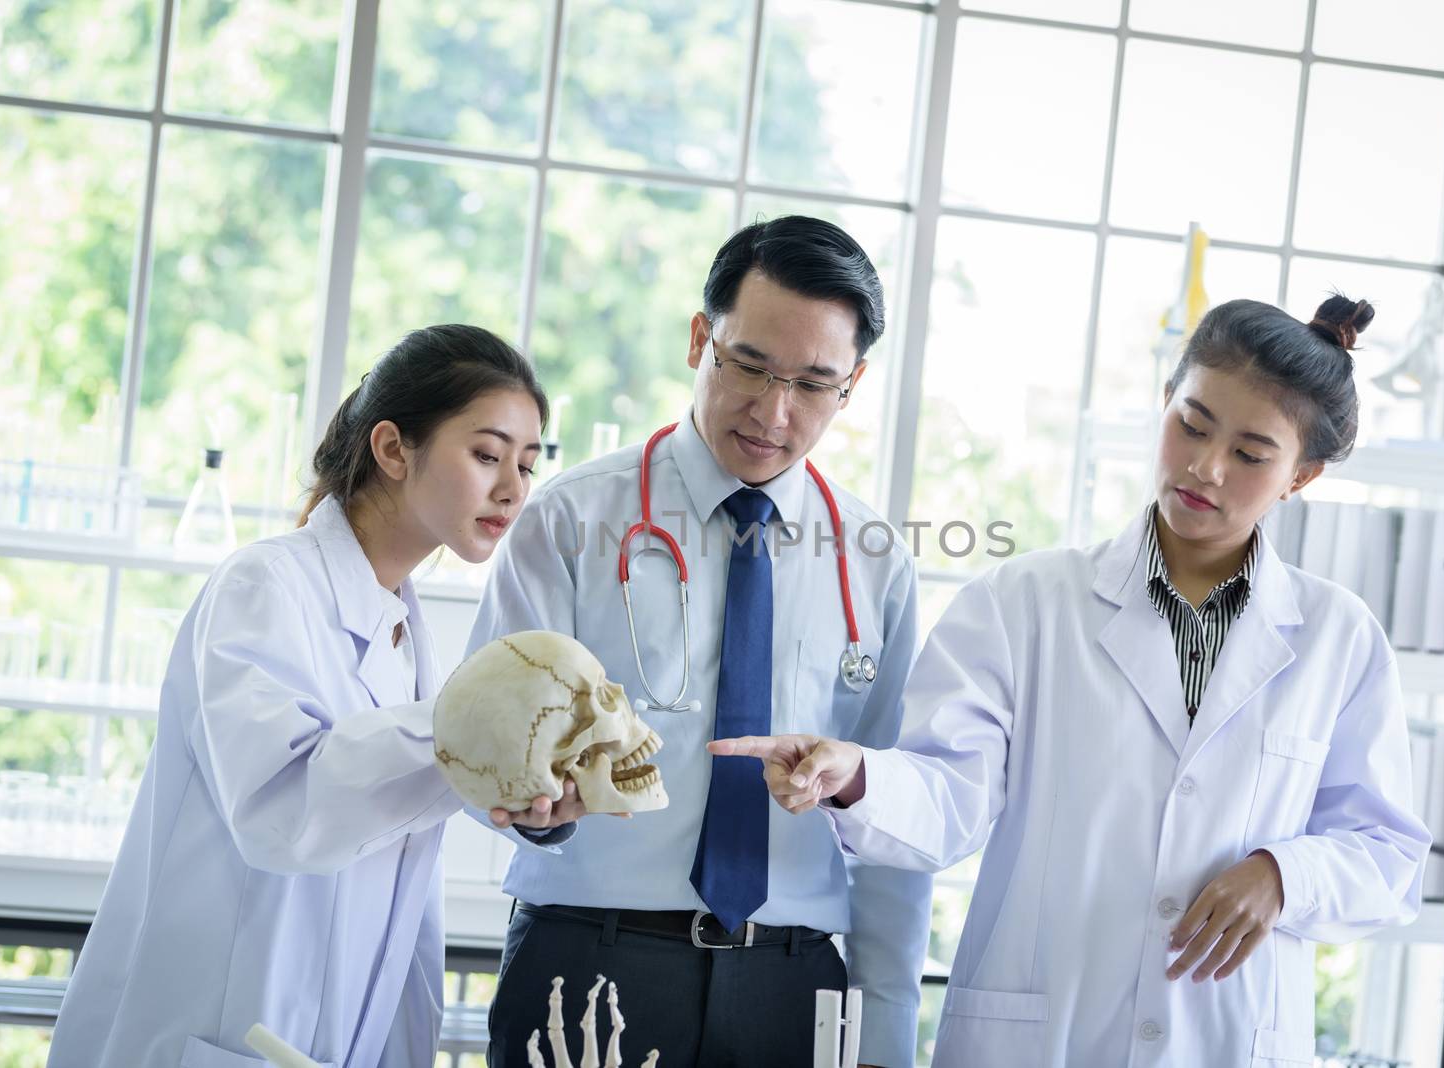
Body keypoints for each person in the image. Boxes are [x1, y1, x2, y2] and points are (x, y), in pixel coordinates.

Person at [713, 297, 1433, 1066]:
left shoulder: (1339, 639)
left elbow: (1387, 854)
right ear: (1164, 402)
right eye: (1191, 423)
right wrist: (855, 776)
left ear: (1303, 475)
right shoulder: (1024, 603)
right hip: (1038, 1036)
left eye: (1252, 454)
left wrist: (1285, 875)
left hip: (1226, 1040)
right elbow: (951, 798)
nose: (1205, 466)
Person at [470, 216, 932, 1068]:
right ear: (699, 338)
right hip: (590, 960)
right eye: (749, 365)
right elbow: (486, 748)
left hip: (791, 985)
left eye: (813, 384)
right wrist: (537, 814)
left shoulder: (874, 563)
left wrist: (886, 1031)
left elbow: (899, 814)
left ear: (853, 384)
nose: (773, 411)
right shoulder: (574, 520)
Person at [49, 325, 549, 1068]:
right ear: (392, 449)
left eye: (528, 463)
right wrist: (466, 728)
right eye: (486, 454)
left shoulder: (406, 628)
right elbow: (282, 808)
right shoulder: (264, 585)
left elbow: (397, 816)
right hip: (224, 1033)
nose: (513, 488)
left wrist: (526, 795)